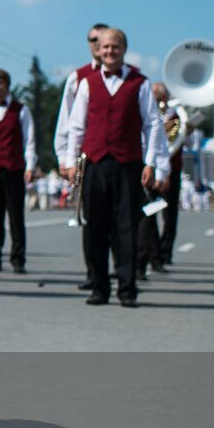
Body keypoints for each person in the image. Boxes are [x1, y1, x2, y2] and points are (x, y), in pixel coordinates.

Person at [62, 27, 169, 307]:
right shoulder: (87, 82)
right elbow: (76, 126)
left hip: (128, 164)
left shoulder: (140, 83)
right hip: (95, 163)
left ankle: (127, 289)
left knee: (127, 229)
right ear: (99, 50)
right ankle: (99, 288)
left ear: (123, 50)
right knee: (96, 227)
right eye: (105, 47)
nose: (109, 51)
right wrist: (71, 162)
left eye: (115, 47)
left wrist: (151, 163)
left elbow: (152, 124)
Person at [56, 22, 110, 290]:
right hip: (89, 157)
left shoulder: (130, 76)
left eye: (103, 40)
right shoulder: (78, 77)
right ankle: (95, 273)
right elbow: (66, 121)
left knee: (120, 218)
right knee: (92, 217)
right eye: (93, 40)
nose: (98, 45)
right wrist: (64, 159)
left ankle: (124, 269)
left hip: (121, 158)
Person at [0, 68, 37, 274]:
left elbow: (29, 141)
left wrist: (30, 166)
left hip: (13, 169)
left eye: (0, 82)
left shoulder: (21, 110)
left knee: (15, 216)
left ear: (7, 85)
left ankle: (18, 259)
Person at [139, 82, 183, 274]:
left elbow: (167, 145)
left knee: (169, 215)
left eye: (158, 94)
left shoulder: (175, 116)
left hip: (169, 171)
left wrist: (163, 172)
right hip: (147, 171)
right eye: (153, 94)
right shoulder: (145, 113)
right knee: (147, 217)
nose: (155, 97)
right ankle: (151, 256)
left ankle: (164, 253)